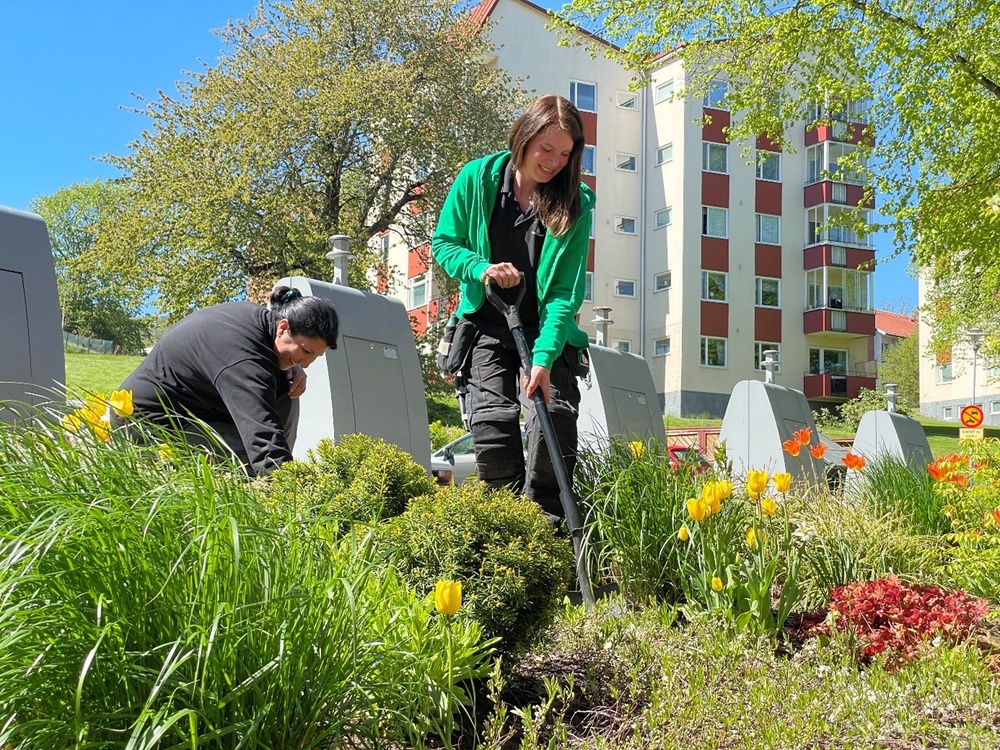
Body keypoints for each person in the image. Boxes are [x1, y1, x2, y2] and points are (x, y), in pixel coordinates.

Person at [432, 94, 595, 519]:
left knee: (552, 428)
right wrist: (481, 268)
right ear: (523, 138)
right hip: (486, 326)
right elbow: (444, 244)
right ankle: (506, 537)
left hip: (546, 333)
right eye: (547, 149)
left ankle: (551, 537)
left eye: (565, 153)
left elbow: (564, 293)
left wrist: (543, 361)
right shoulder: (476, 179)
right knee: (493, 433)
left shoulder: (575, 202)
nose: (555, 162)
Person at [116, 286, 339, 476]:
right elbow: (262, 436)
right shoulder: (242, 357)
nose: (307, 363)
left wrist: (294, 363)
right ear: (283, 328)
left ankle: (270, 484)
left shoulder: (261, 325)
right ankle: (266, 499)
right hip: (145, 425)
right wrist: (289, 494)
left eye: (314, 357)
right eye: (306, 351)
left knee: (286, 390)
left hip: (195, 412)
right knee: (246, 458)